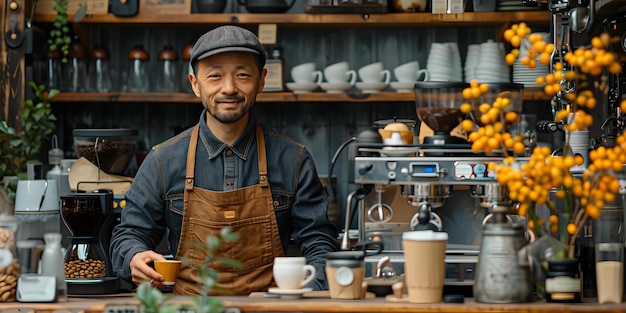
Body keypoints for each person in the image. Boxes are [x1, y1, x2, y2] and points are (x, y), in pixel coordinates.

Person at [109, 25, 339, 295]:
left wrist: (306, 294)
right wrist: (133, 256)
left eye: (242, 75)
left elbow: (320, 242)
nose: (229, 88)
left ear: (261, 80)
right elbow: (128, 235)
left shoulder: (293, 159)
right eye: (215, 75)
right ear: (195, 84)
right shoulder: (163, 160)